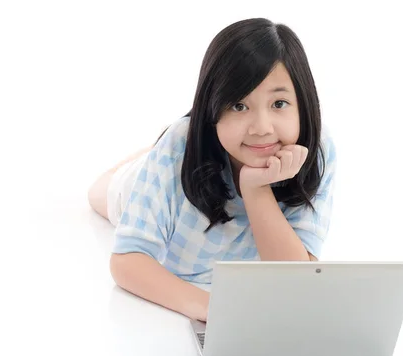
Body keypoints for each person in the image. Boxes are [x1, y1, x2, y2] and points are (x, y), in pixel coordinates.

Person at [87, 17, 337, 322]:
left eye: (279, 103)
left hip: (208, 151)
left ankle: (152, 152)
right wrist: (213, 310)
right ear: (213, 108)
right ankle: (149, 156)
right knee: (100, 191)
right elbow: (127, 261)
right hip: (161, 170)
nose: (261, 128)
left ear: (304, 103)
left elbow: (296, 281)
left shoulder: (317, 150)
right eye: (239, 106)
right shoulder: (181, 144)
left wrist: (255, 189)